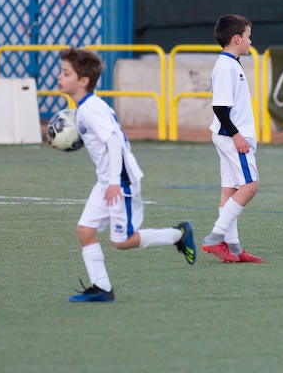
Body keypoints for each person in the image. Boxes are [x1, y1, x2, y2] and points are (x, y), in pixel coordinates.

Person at [58, 48, 195, 302]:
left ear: (83, 81)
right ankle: (102, 288)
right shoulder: (87, 107)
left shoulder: (89, 109)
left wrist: (112, 183)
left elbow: (112, 142)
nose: (59, 77)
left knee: (122, 241)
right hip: (107, 181)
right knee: (85, 230)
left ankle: (179, 235)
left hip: (120, 182)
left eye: (66, 73)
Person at [201, 14, 263, 263]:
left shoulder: (230, 64)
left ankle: (234, 247)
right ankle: (215, 238)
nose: (250, 41)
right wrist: (237, 135)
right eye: (248, 36)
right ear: (237, 39)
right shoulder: (226, 66)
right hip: (232, 136)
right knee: (250, 186)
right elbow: (220, 108)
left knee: (230, 189)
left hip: (227, 136)